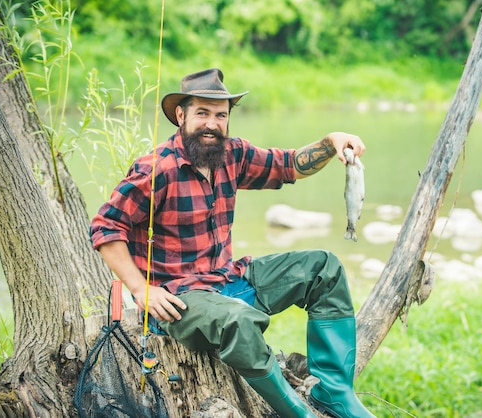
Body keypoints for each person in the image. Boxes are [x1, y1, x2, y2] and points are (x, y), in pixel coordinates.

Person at [89, 68, 375, 418]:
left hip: (229, 280)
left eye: (220, 115)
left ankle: (334, 391)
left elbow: (288, 165)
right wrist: (141, 289)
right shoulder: (157, 168)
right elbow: (106, 227)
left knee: (323, 268)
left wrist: (331, 142)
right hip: (180, 300)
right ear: (181, 116)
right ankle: (296, 411)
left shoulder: (232, 155)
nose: (212, 124)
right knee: (237, 321)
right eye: (202, 113)